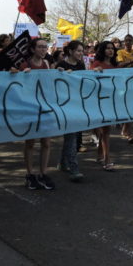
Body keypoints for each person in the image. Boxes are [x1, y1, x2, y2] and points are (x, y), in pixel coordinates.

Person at [22, 38, 55, 190]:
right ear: (33, 49)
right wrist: (22, 75)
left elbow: (51, 82)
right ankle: (30, 174)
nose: (43, 50)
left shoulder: (47, 64)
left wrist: (59, 73)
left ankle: (43, 173)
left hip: (45, 107)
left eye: (45, 47)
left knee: (46, 142)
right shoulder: (26, 65)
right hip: (30, 108)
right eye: (40, 47)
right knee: (30, 143)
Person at [55, 40, 86, 182]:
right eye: (78, 51)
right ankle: (74, 169)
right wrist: (61, 74)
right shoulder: (61, 65)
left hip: (77, 103)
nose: (81, 53)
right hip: (65, 105)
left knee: (71, 136)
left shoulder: (81, 65)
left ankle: (62, 163)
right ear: (71, 51)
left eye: (82, 51)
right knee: (72, 136)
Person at [90, 41, 119, 171]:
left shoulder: (114, 65)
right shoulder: (97, 64)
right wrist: (95, 71)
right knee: (106, 130)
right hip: (100, 101)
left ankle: (100, 155)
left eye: (112, 48)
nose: (110, 50)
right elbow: (89, 76)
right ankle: (107, 160)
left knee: (105, 130)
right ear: (102, 50)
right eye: (107, 48)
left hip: (111, 100)